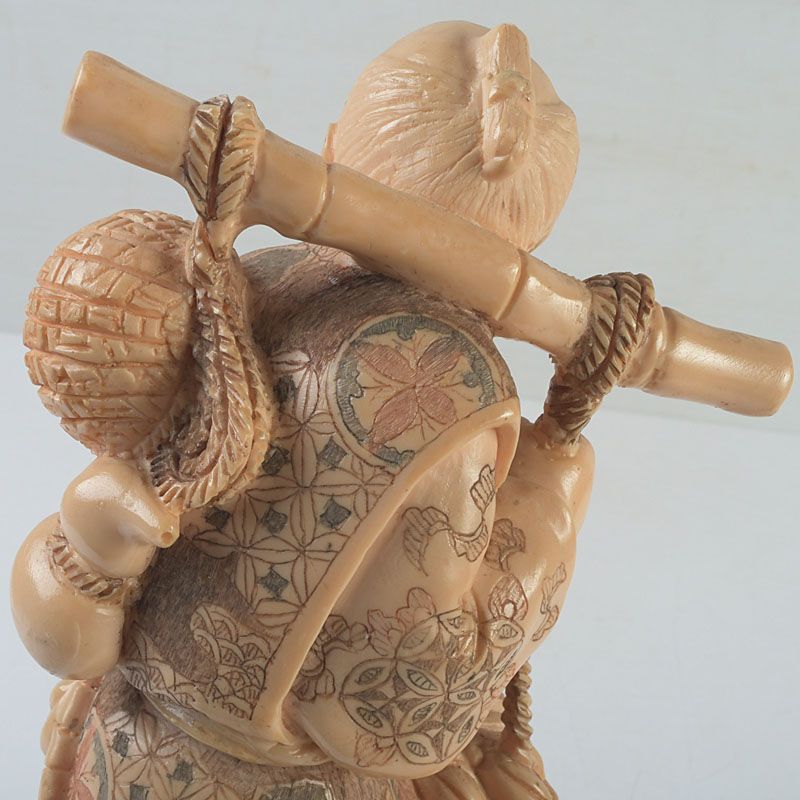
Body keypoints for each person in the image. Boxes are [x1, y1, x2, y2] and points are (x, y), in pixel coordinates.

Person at [13, 21, 594, 800]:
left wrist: (91, 550)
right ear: (535, 236)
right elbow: (393, 709)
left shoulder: (254, 276)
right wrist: (558, 478)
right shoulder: (453, 385)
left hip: (130, 746)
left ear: (330, 149)